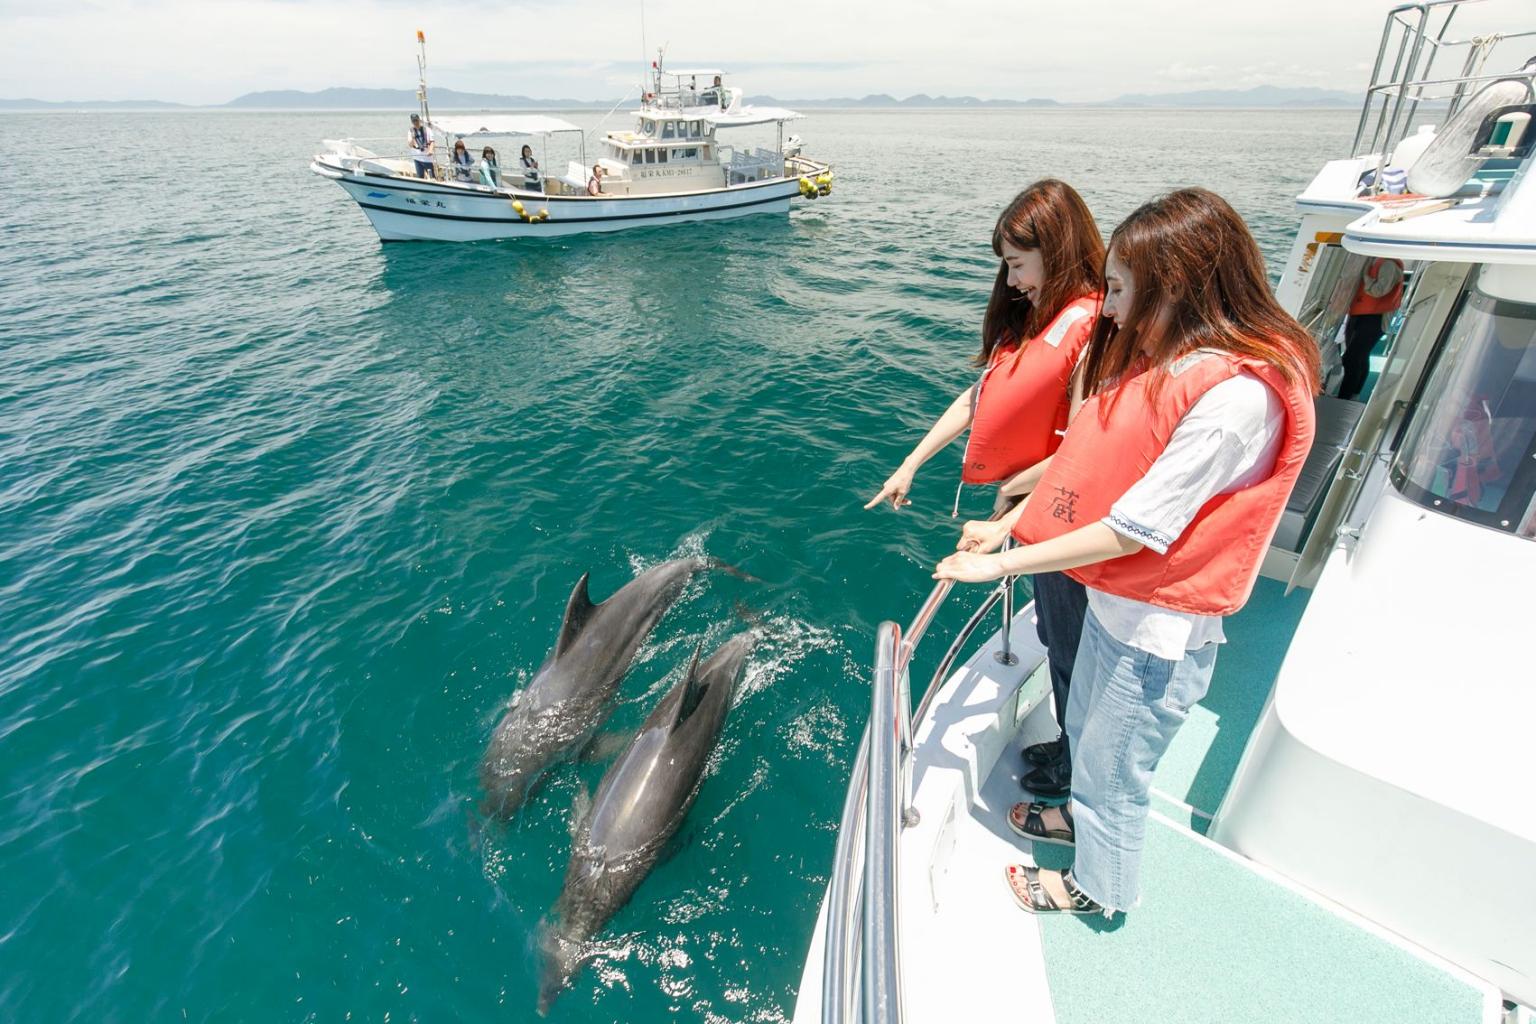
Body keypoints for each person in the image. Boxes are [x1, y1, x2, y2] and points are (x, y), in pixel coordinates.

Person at [935, 188, 1319, 918]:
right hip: (1119, 607)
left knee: (1112, 770)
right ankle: (1080, 826)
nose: (1107, 309)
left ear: (1172, 285)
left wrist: (998, 562)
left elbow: (1135, 528)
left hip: (1153, 630)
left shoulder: (1236, 400)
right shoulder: (1178, 365)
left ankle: (1095, 888)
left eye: (1118, 289)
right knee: (1086, 733)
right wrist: (1011, 526)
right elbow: (1094, 459)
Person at [867, 180, 1104, 798]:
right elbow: (980, 398)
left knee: (1073, 643)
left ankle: (1078, 770)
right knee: (1054, 634)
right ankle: (1069, 743)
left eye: (1019, 264)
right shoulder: (1035, 322)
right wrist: (910, 464)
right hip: (1026, 513)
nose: (1013, 279)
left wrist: (1005, 524)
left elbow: (1086, 446)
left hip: (1060, 518)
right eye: (1007, 265)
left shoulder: (1091, 332)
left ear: (1056, 250)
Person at [1339, 257, 1404, 401]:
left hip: (1374, 318)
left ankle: (1344, 398)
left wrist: (1365, 277)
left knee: (1351, 358)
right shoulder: (1374, 260)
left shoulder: (1389, 265)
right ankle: (1353, 394)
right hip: (1360, 315)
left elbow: (1378, 291)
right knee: (1360, 357)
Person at [408, 113, 434, 179]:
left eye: (416, 120)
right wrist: (413, 137)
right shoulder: (410, 131)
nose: (415, 122)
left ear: (419, 120)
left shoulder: (427, 129)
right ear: (411, 122)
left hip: (427, 157)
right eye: (413, 121)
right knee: (420, 177)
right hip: (417, 157)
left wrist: (430, 150)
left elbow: (432, 141)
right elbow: (410, 145)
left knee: (432, 177)